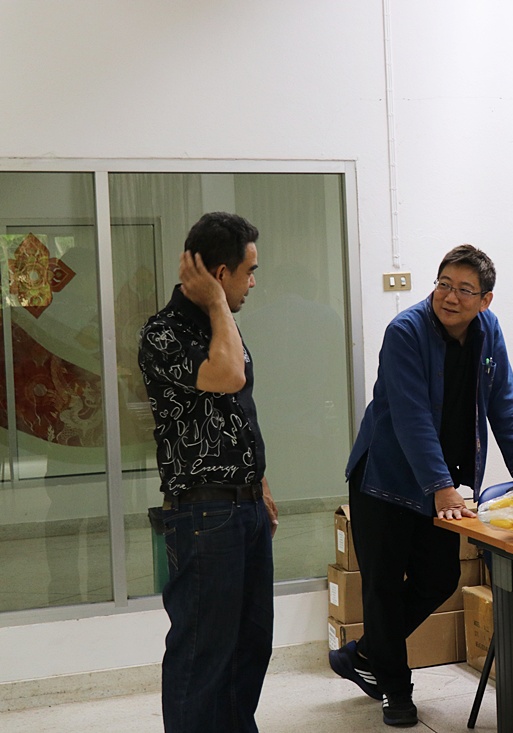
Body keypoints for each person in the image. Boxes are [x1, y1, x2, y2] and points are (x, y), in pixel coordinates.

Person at [329, 244, 513, 727]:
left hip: (437, 483)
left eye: (465, 289)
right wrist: (442, 487)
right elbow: (412, 417)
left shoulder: (489, 330)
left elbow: (503, 398)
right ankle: (395, 690)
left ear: (485, 300)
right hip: (384, 480)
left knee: (440, 578)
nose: (450, 297)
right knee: (383, 588)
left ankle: (363, 654)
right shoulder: (405, 331)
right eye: (444, 284)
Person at [139, 212, 279, 733]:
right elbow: (228, 377)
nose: (253, 283)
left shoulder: (221, 326)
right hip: (204, 514)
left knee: (250, 644)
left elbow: (237, 410)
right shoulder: (162, 333)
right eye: (248, 271)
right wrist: (219, 304)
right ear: (221, 274)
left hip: (244, 507)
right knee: (202, 651)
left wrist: (259, 482)